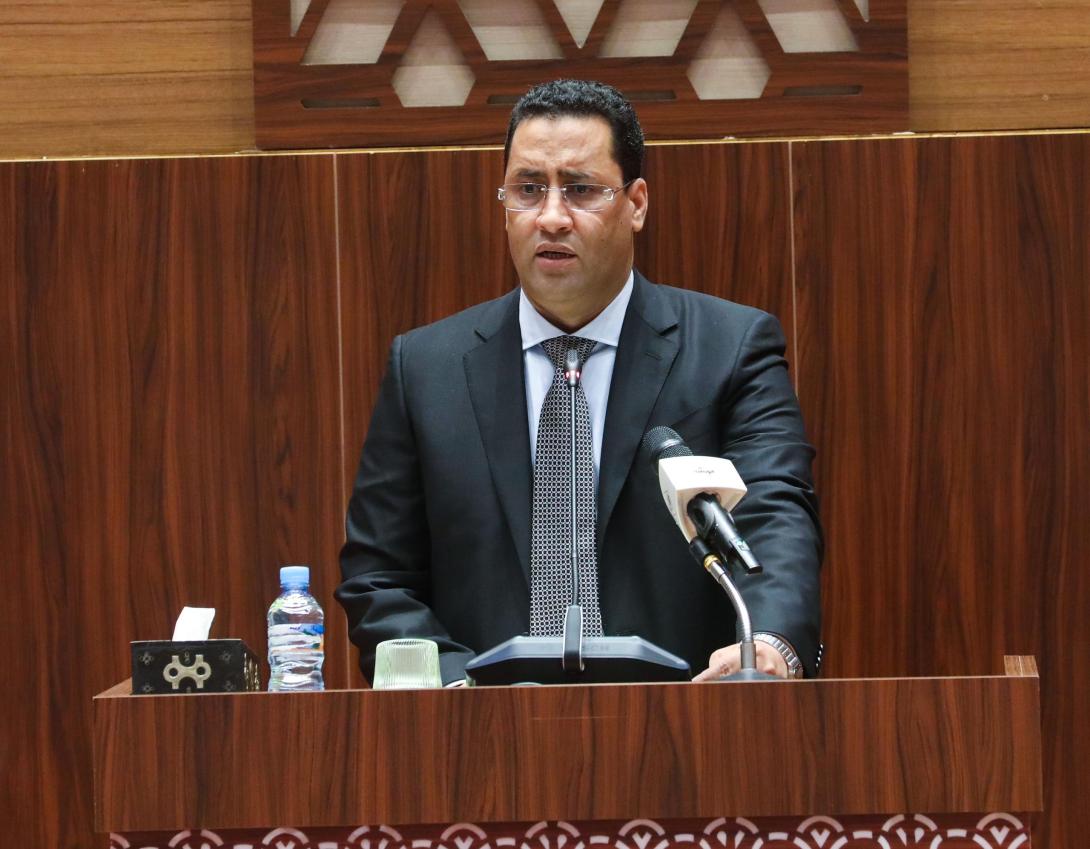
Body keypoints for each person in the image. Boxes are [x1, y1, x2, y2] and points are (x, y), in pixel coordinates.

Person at [336, 79, 822, 686]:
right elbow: (380, 576)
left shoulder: (729, 348)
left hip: (684, 718)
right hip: (479, 725)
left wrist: (769, 642)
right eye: (528, 190)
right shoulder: (426, 368)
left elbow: (774, 517)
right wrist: (460, 690)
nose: (551, 217)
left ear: (636, 204)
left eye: (582, 190)